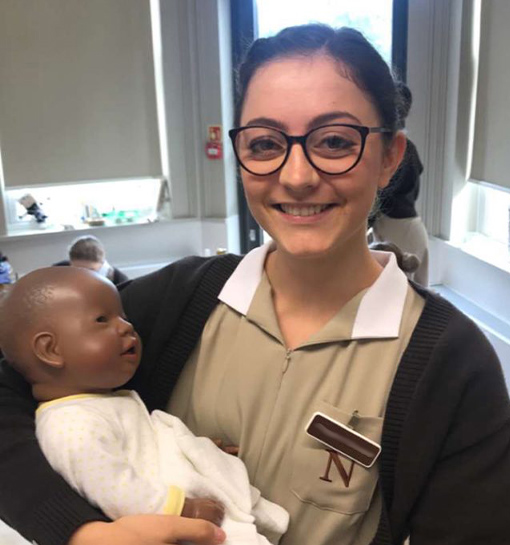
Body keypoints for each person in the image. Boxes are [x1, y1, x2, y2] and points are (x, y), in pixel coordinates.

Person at [0, 23, 509, 545]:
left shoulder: (451, 365)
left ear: (389, 159)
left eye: (335, 141)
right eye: (266, 143)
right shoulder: (173, 304)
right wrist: (78, 530)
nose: (296, 176)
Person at [0, 267, 288, 545]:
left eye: (123, 316)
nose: (127, 326)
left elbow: (147, 448)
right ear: (51, 350)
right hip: (182, 526)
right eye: (102, 320)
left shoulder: (103, 400)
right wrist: (181, 509)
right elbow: (114, 487)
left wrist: (194, 452)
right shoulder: (70, 424)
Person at [369, 83, 429, 286]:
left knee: (406, 294)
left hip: (402, 229)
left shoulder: (401, 151)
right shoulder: (397, 148)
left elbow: (386, 192)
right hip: (396, 225)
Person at [54, 234, 129, 286]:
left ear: (101, 262)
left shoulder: (119, 280)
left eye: (90, 270)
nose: (83, 274)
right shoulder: (58, 271)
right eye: (77, 269)